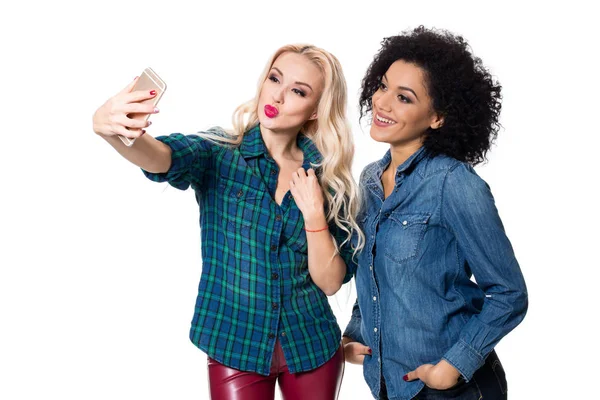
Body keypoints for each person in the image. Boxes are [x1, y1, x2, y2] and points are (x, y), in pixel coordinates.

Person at [92, 44, 364, 400]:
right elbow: (162, 158)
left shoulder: (328, 180)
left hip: (313, 345)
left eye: (298, 91)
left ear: (315, 110)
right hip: (236, 344)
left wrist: (314, 215)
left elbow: (330, 284)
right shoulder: (220, 153)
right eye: (275, 79)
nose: (278, 96)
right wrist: (115, 131)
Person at [342, 27, 528, 400]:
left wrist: (453, 365)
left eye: (404, 98)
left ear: (438, 117)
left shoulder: (453, 184)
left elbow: (509, 293)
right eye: (383, 86)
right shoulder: (369, 181)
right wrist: (355, 333)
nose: (383, 103)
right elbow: (373, 272)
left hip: (453, 389)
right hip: (391, 385)